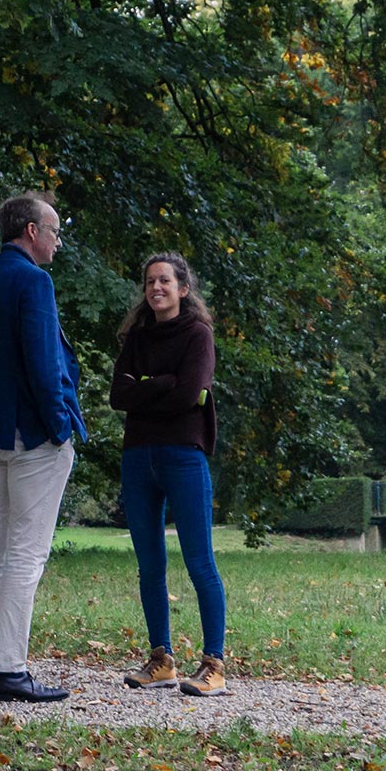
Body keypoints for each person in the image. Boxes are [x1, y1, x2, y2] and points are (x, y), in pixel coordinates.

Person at [0, 193, 86, 703]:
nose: (57, 241)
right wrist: (60, 427)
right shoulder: (33, 281)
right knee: (25, 554)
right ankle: (9, 670)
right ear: (31, 230)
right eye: (54, 231)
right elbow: (42, 363)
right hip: (31, 434)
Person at [110, 252, 229, 697]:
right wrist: (167, 382)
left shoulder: (198, 334)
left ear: (183, 288)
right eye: (149, 282)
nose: (155, 288)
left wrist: (149, 384)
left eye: (164, 281)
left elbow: (189, 393)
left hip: (184, 456)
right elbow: (119, 394)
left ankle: (214, 664)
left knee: (200, 563)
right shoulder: (137, 338)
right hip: (138, 457)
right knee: (150, 566)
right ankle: (161, 661)